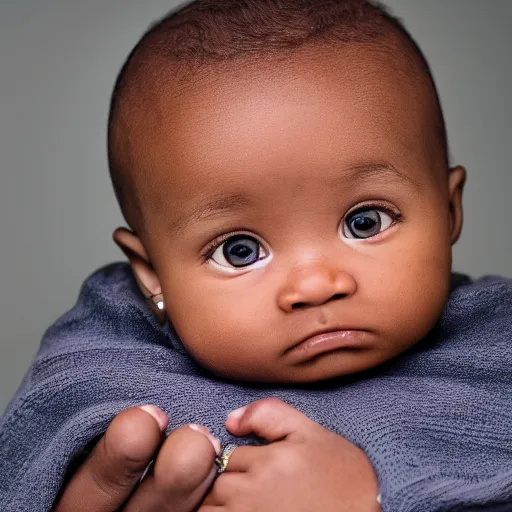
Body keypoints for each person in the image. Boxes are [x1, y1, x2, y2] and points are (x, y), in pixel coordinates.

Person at [1, 1, 511, 511]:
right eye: (239, 250)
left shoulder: (496, 355)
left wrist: (375, 497)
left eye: (365, 222)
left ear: (447, 212)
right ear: (152, 275)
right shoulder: (101, 367)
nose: (315, 285)